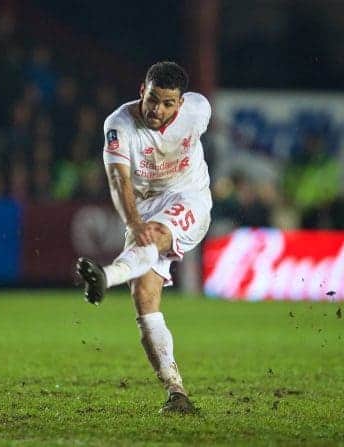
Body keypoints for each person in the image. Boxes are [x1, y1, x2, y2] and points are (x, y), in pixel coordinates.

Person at [76, 61, 212, 414]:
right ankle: (176, 392)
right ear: (142, 91)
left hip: (189, 198)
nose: (158, 110)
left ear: (181, 104)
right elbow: (118, 180)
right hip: (146, 208)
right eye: (153, 99)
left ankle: (106, 276)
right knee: (144, 297)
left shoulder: (198, 110)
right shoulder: (118, 124)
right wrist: (134, 222)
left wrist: (142, 229)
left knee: (155, 236)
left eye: (168, 103)